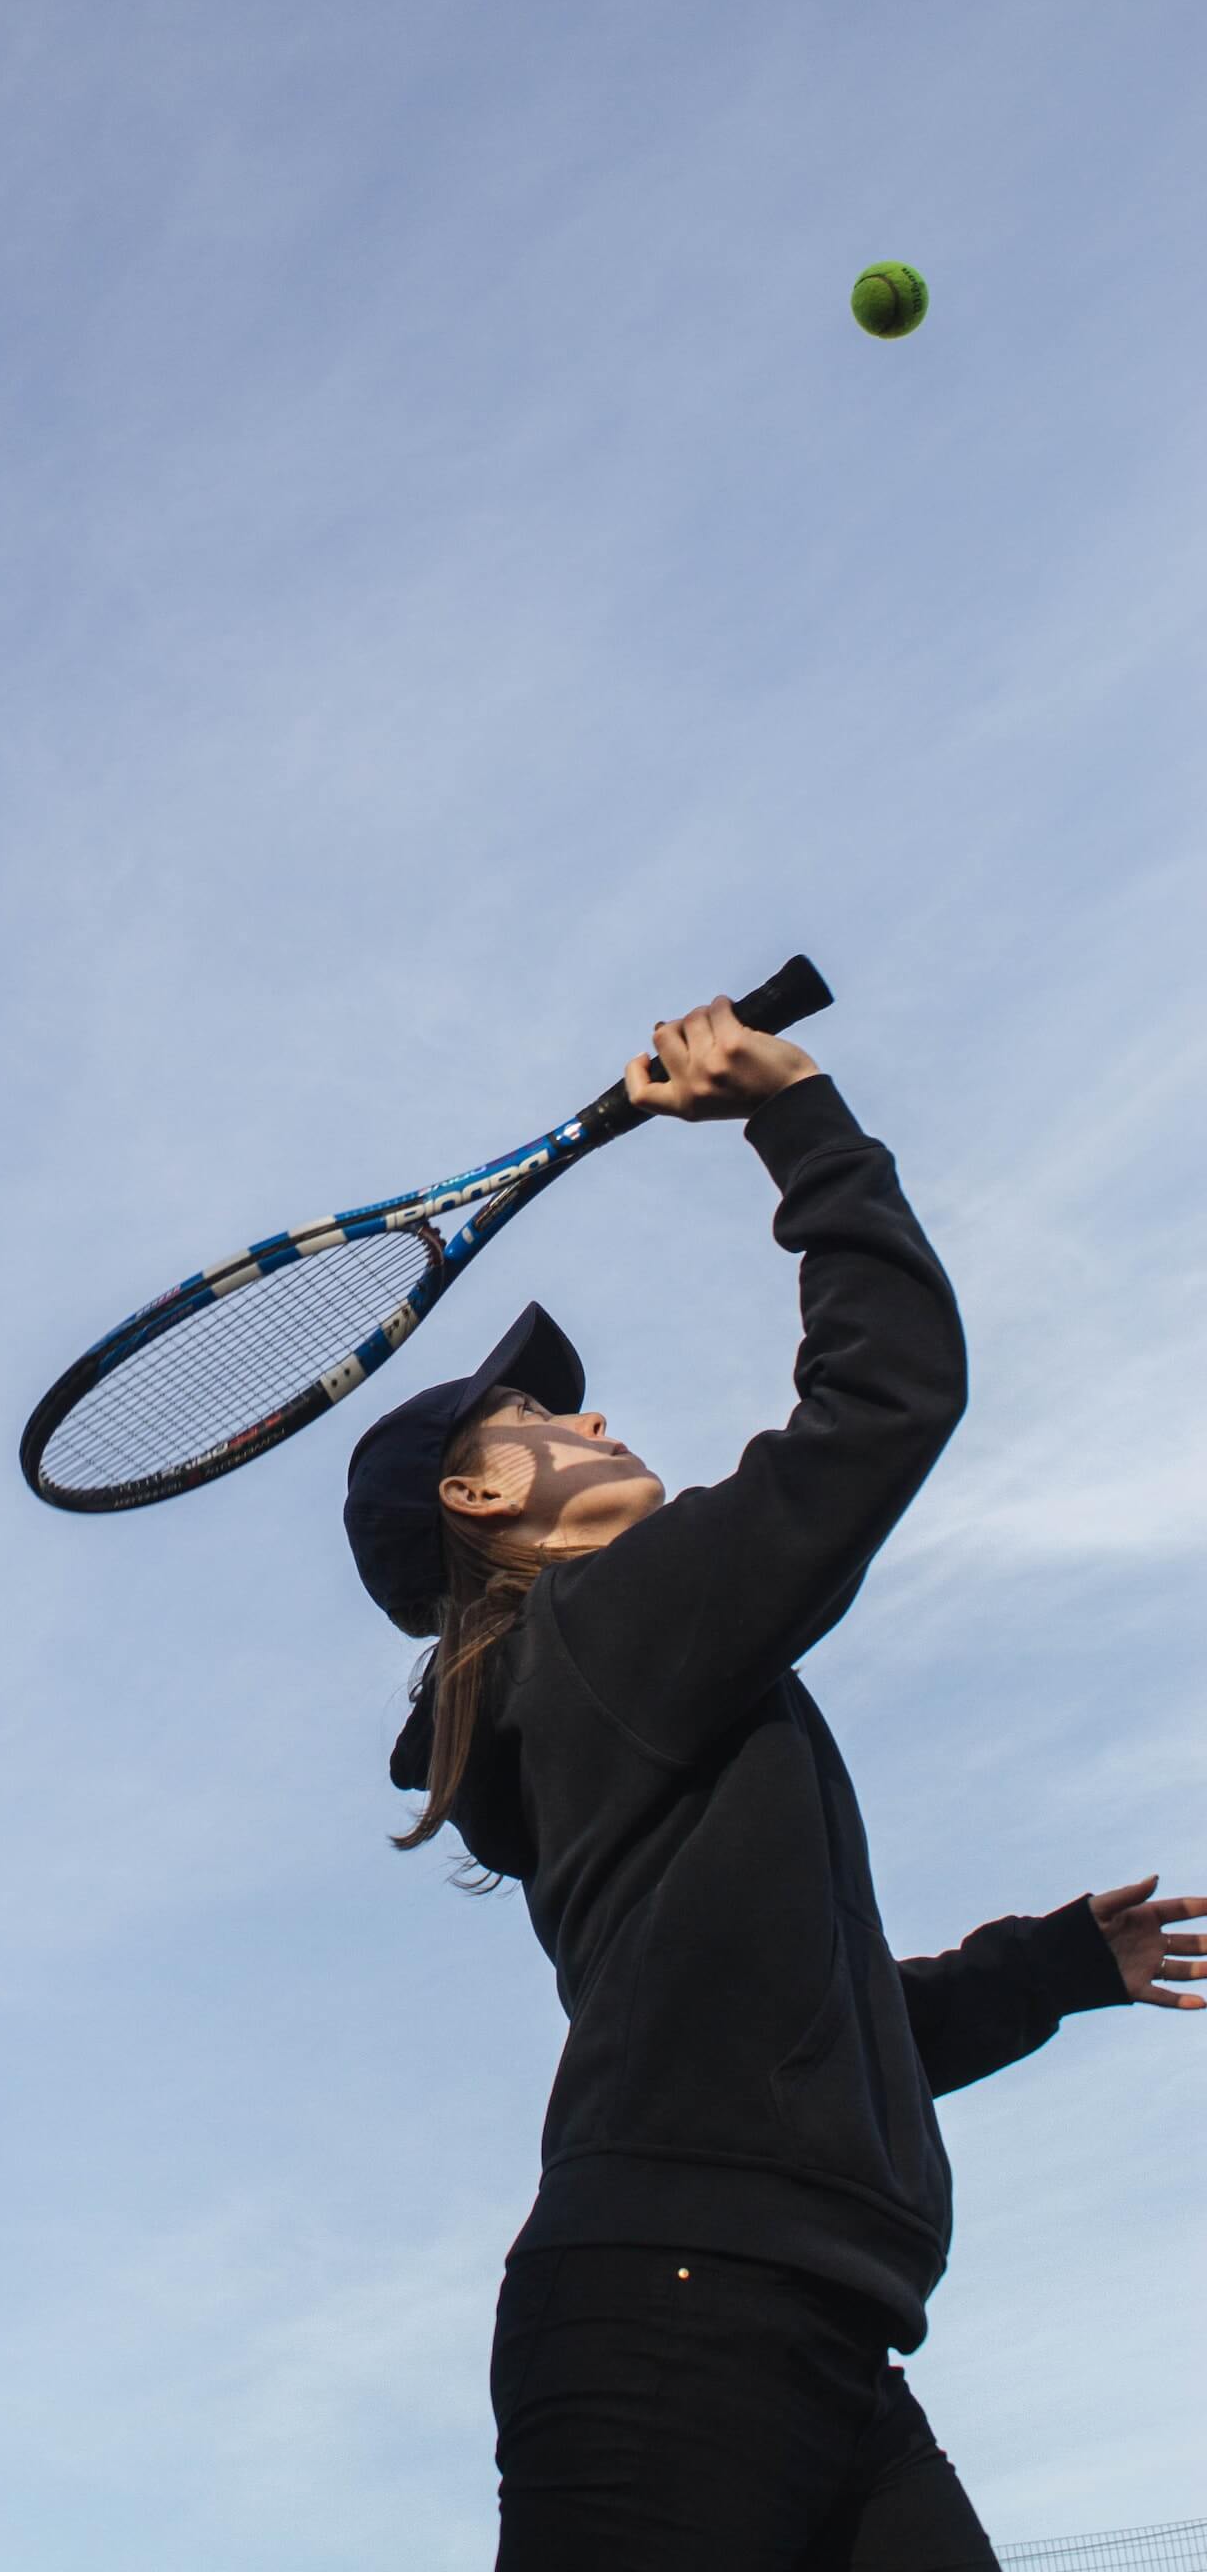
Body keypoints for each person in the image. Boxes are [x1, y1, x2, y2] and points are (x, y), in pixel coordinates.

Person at [342, 998, 1204, 2571]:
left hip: (797, 2326)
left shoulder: (612, 1694)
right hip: (677, 2317)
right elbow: (879, 1407)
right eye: (542, 1417)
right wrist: (794, 1110)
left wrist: (1051, 1968)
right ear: (481, 1498)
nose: (592, 1418)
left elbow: (799, 2038)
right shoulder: (610, 1630)